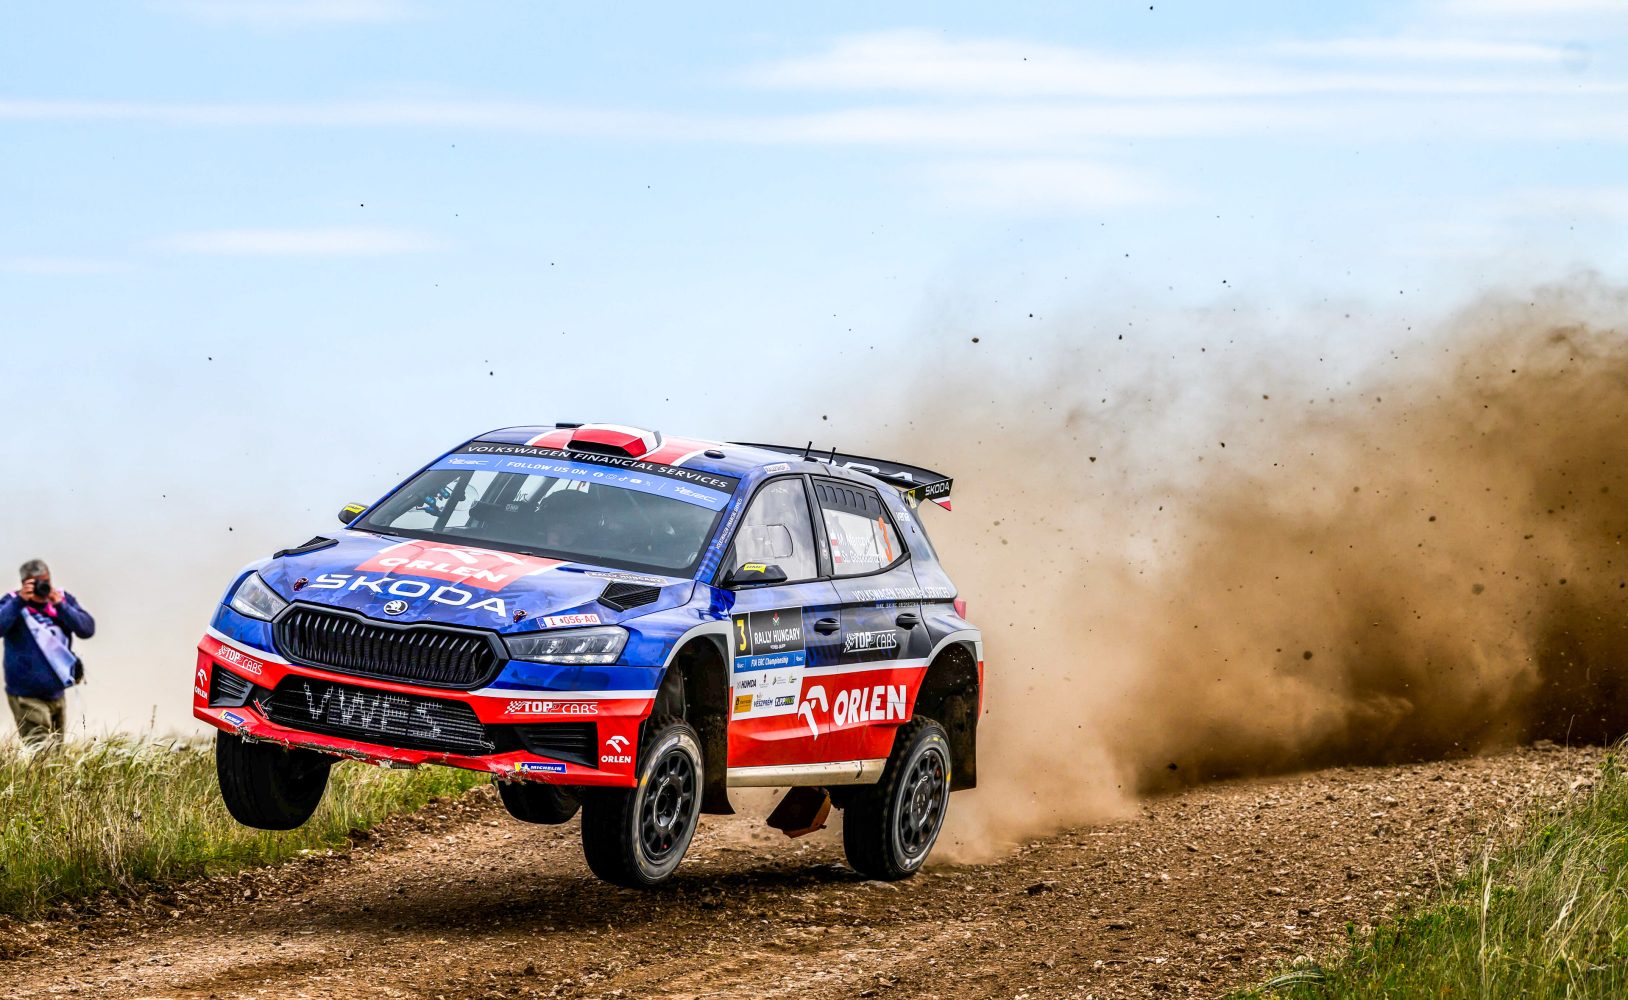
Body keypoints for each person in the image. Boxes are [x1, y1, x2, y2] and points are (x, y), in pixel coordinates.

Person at [1, 559, 95, 745]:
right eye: (37, 583)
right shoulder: (12, 602)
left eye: (46, 581)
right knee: (41, 753)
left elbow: (87, 629)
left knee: (56, 754)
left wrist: (61, 606)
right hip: (27, 696)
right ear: (25, 583)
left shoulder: (61, 600)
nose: (42, 587)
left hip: (57, 693)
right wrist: (20, 601)